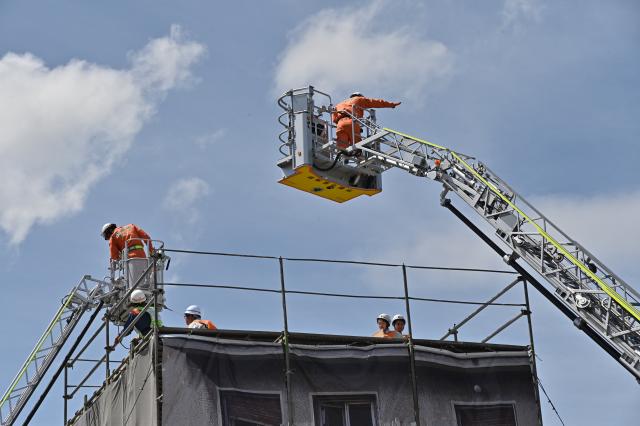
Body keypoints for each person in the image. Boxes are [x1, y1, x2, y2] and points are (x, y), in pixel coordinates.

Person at [331, 92, 401, 150]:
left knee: (341, 147)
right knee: (357, 147)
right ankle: (360, 160)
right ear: (360, 96)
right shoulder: (359, 99)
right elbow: (375, 102)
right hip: (351, 122)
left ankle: (343, 159)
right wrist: (391, 104)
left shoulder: (339, 104)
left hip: (340, 124)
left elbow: (334, 119)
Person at [101, 223, 154, 289]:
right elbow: (146, 237)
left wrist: (115, 266)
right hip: (143, 256)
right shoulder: (131, 226)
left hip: (131, 260)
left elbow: (114, 257)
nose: (108, 238)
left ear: (109, 231)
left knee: (134, 287)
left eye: (107, 236)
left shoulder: (113, 237)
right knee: (146, 281)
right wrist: (152, 252)